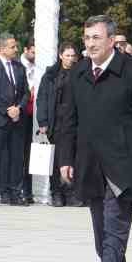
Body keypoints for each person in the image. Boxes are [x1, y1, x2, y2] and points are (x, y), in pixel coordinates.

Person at [58, 17, 132, 262]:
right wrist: (65, 158)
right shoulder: (77, 74)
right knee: (101, 231)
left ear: (112, 40)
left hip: (123, 162)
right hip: (89, 162)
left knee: (115, 224)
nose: (90, 44)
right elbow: (68, 121)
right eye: (86, 38)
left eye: (96, 38)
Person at [0, 33, 29, 206]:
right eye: (12, 47)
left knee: (17, 157)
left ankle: (15, 193)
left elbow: (26, 92)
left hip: (17, 119)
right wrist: (6, 110)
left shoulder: (19, 67)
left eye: (16, 46)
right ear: (1, 49)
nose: (16, 49)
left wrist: (18, 108)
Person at [35, 43, 80, 206]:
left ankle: (70, 191)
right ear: (60, 55)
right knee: (55, 159)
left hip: (73, 121)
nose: (70, 59)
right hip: (55, 121)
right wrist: (43, 121)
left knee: (72, 158)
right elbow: (42, 99)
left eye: (72, 56)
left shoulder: (79, 73)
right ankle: (56, 192)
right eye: (67, 55)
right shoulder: (51, 75)